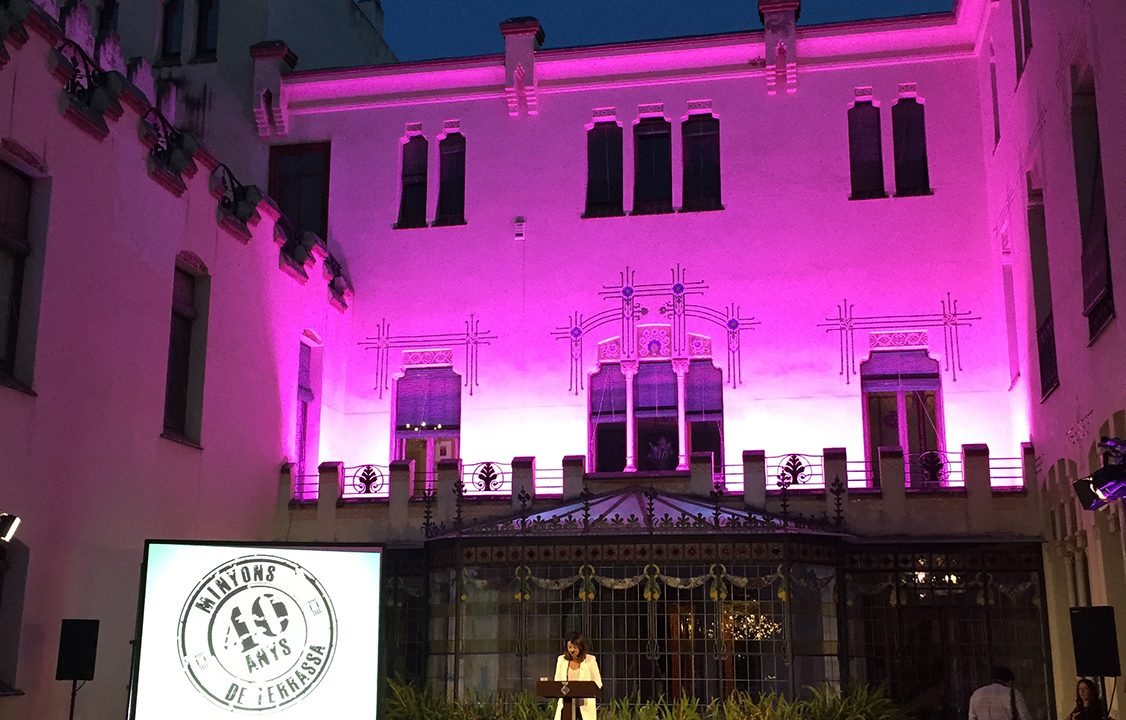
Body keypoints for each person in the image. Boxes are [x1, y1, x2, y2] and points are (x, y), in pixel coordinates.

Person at [553, 631, 602, 720]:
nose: (572, 650)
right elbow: (557, 681)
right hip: (566, 704)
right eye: (569, 647)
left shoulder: (590, 660)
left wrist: (584, 690)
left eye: (574, 647)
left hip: (585, 705)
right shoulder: (561, 660)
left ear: (580, 647)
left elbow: (598, 682)